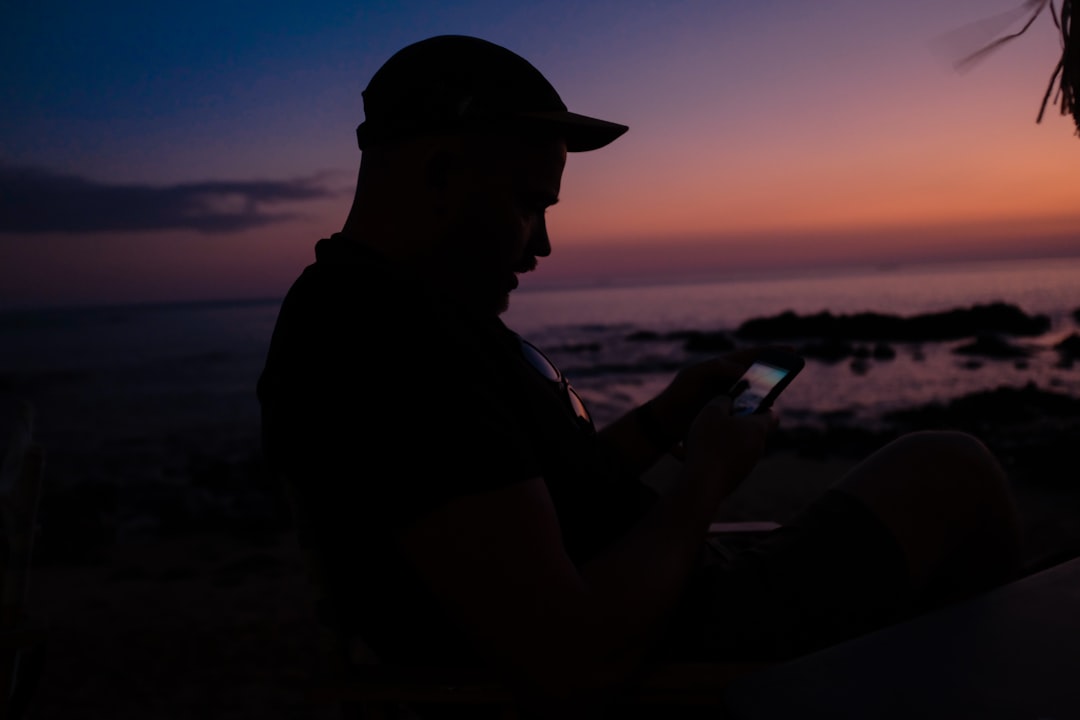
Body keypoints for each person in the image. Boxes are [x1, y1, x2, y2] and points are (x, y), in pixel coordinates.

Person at [257, 34, 1022, 716]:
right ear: (441, 174)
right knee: (949, 468)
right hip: (685, 646)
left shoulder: (405, 313)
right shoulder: (383, 340)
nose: (543, 246)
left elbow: (537, 505)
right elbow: (569, 657)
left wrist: (663, 420)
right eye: (530, 206)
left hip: (681, 599)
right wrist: (708, 479)